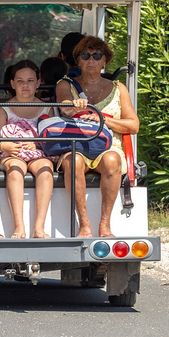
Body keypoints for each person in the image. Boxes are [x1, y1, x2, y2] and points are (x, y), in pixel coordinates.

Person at [54, 35, 139, 237]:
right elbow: (64, 106)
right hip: (75, 144)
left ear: (104, 61)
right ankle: (84, 224)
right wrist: (74, 108)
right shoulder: (66, 85)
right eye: (85, 55)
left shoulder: (119, 89)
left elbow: (133, 125)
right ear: (78, 60)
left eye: (97, 55)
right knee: (73, 161)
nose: (91, 60)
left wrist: (102, 119)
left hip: (108, 146)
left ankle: (105, 224)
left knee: (111, 160)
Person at [0, 60, 55, 238]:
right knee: (15, 170)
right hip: (12, 153)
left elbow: (51, 138)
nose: (25, 85)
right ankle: (19, 227)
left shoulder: (47, 108)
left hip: (38, 152)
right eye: (20, 81)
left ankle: (39, 227)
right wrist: (6, 145)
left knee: (45, 170)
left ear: (38, 83)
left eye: (30, 81)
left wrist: (36, 144)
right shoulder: (4, 109)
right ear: (12, 84)